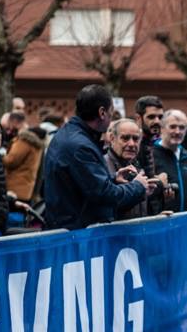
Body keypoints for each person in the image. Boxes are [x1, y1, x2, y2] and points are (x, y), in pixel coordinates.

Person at [42, 85, 149, 230]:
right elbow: (103, 195)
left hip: (71, 228)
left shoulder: (69, 134)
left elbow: (82, 183)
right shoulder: (80, 146)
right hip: (77, 233)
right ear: (102, 113)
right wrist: (137, 186)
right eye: (111, 113)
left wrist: (112, 178)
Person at [103, 118, 153, 220]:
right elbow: (106, 209)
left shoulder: (137, 166)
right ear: (112, 138)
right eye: (125, 138)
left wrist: (156, 216)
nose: (131, 144)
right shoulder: (102, 166)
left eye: (136, 139)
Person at [152, 109, 187, 213]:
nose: (177, 131)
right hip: (161, 219)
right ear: (162, 128)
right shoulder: (151, 156)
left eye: (182, 127)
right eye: (172, 127)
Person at [2, 111, 44, 204]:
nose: (8, 129)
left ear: (14, 122)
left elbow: (11, 161)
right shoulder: (33, 140)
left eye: (9, 125)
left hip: (15, 190)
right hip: (26, 189)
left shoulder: (23, 141)